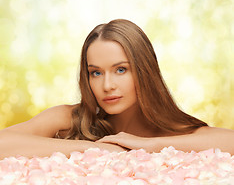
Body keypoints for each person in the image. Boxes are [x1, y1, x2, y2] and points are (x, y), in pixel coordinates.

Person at [0, 19, 233, 159]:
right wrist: (92, 150)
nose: (107, 85)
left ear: (144, 71)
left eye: (121, 70)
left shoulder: (171, 133)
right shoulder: (68, 119)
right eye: (96, 73)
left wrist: (151, 145)